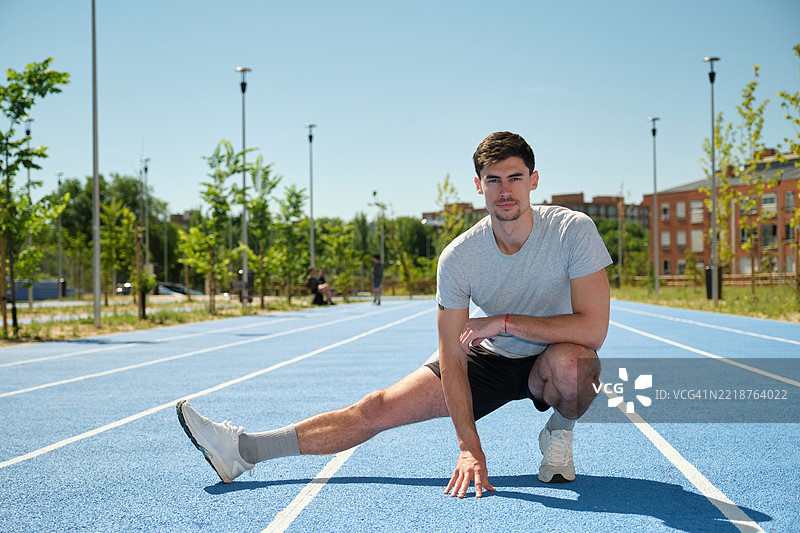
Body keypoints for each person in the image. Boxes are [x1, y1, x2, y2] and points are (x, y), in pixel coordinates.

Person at [177, 131, 611, 498]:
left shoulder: (572, 231)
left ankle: (558, 431)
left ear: (533, 180)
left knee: (577, 366)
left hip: (552, 353)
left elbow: (593, 328)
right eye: (493, 179)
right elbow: (453, 358)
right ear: (478, 186)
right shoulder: (459, 257)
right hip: (489, 357)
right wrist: (468, 446)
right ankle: (243, 450)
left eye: (515, 178)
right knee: (376, 407)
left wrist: (504, 321)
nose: (505, 190)